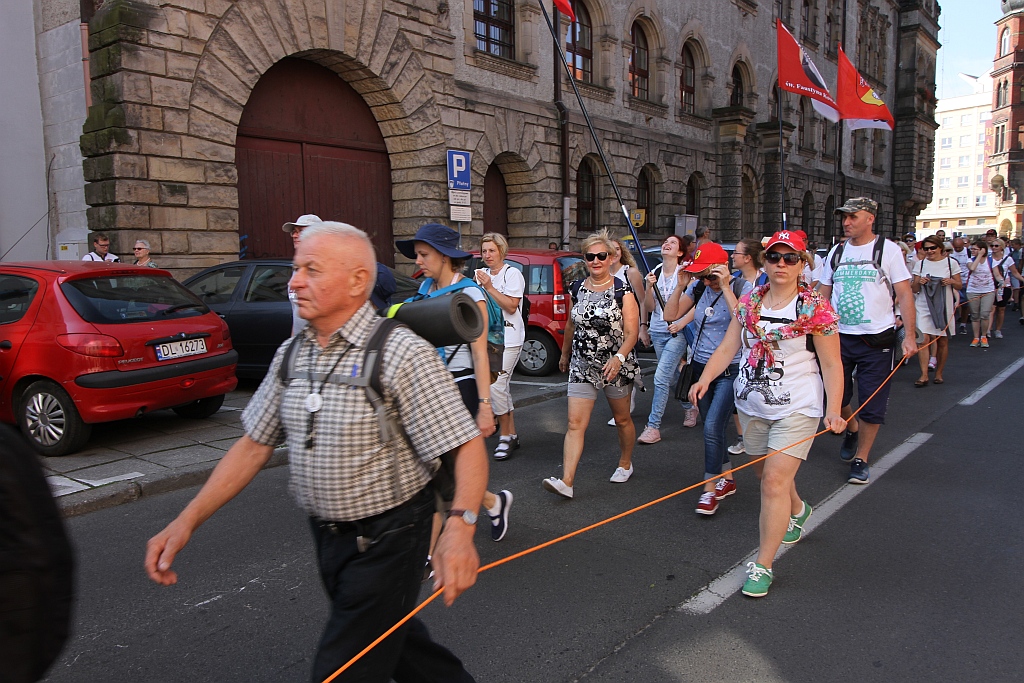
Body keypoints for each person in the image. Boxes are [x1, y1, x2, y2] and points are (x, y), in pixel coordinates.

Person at [145, 221, 485, 683]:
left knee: (343, 667)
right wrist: (185, 520)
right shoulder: (292, 353)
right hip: (329, 539)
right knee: (401, 645)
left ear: (357, 281)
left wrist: (460, 529)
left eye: (311, 269)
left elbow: (465, 447)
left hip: (389, 539)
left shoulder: (400, 352)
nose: (294, 281)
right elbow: (252, 445)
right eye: (295, 268)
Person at [689, 230, 845, 598]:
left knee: (773, 481)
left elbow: (832, 364)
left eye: (790, 258)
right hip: (753, 403)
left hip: (798, 404)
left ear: (802, 263)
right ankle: (798, 508)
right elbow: (730, 345)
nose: (781, 264)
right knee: (765, 474)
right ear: (766, 260)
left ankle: (763, 565)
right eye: (775, 257)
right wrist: (706, 379)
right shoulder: (750, 301)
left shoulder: (814, 309)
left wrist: (834, 410)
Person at [396, 224, 512, 542]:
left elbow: (479, 353)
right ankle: (491, 502)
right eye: (417, 255)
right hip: (428, 388)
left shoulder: (470, 295)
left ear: (445, 257)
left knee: (453, 465)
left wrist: (486, 407)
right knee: (435, 467)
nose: (417, 261)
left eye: (423, 254)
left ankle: (435, 546)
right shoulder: (422, 293)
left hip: (461, 386)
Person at [818, 197, 917, 485]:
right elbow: (823, 293)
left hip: (877, 339)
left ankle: (861, 457)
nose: (846, 222)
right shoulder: (836, 252)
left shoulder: (888, 250)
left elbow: (905, 293)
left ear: (870, 218)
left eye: (853, 217)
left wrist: (909, 335)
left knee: (873, 402)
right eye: (844, 217)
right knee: (836, 396)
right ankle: (851, 427)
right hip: (838, 337)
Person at [542, 232, 640, 499]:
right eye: (590, 256)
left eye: (601, 256)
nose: (596, 261)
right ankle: (567, 481)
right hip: (582, 364)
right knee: (574, 423)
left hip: (615, 365)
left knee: (622, 419)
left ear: (610, 258)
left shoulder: (622, 290)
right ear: (585, 259)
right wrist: (564, 354)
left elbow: (631, 332)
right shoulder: (576, 288)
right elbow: (571, 324)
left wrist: (619, 358)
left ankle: (625, 462)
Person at [664, 242, 753, 514]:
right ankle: (726, 478)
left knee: (713, 427)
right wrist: (681, 284)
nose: (706, 281)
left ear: (723, 269)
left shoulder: (742, 288)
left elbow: (747, 321)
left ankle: (709, 488)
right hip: (700, 368)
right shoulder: (699, 287)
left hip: (730, 369)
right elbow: (669, 315)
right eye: (701, 275)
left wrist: (725, 286)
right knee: (710, 428)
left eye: (710, 275)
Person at [475, 233, 526, 460]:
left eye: (492, 250)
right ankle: (511, 433)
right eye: (484, 251)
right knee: (497, 387)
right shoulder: (481, 275)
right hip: (488, 339)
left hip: (510, 338)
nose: (487, 255)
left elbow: (511, 307)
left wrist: (489, 287)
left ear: (501, 252)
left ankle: (506, 435)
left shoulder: (512, 273)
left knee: (497, 386)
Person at [637, 234, 687, 444]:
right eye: (666, 242)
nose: (667, 244)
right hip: (658, 330)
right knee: (672, 376)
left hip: (678, 332)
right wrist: (648, 288)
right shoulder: (654, 273)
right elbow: (649, 307)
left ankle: (653, 426)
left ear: (680, 252)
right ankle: (689, 406)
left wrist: (681, 322)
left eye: (673, 243)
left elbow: (689, 304)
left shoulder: (684, 274)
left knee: (660, 377)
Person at [727, 238, 767, 455]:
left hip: (763, 346)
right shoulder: (734, 281)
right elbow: (735, 316)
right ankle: (743, 436)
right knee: (739, 391)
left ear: (748, 258)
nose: (732, 256)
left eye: (736, 252)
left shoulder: (765, 281)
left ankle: (766, 433)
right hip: (737, 345)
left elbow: (746, 315)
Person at [910, 235, 961, 386]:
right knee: (923, 339)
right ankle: (924, 374)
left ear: (940, 248)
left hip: (944, 304)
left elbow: (959, 285)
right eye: (926, 249)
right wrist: (919, 281)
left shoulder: (951, 264)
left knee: (943, 339)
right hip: (923, 304)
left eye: (933, 248)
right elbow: (914, 288)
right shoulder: (919, 264)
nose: (930, 251)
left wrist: (951, 281)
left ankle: (939, 372)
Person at [283, 214, 323, 335]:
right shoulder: (297, 268)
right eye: (294, 232)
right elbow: (296, 313)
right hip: (301, 345)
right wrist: (292, 343)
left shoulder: (326, 268)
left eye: (301, 231)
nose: (295, 235)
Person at [965, 239, 997, 348]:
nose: (972, 251)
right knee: (975, 315)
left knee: (984, 314)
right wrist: (979, 256)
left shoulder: (991, 261)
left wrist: (1002, 281)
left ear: (982, 250)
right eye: (971, 249)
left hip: (988, 290)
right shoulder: (970, 260)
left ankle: (984, 335)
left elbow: (996, 275)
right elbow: (972, 268)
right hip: (973, 290)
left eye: (975, 249)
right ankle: (976, 337)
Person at [989, 239, 1024, 338]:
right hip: (991, 285)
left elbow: (1015, 272)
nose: (994, 248)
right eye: (992, 245)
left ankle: (998, 330)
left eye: (996, 246)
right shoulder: (988, 258)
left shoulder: (1008, 259)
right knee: (991, 308)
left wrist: (1022, 280)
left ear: (1002, 247)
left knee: (1001, 309)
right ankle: (988, 329)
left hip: (1004, 286)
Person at [949, 236, 972, 334]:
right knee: (952, 303)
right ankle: (952, 323)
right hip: (953, 280)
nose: (957, 249)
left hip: (965, 280)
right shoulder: (950, 252)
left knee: (965, 304)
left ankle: (963, 323)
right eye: (956, 247)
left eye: (959, 247)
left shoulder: (968, 252)